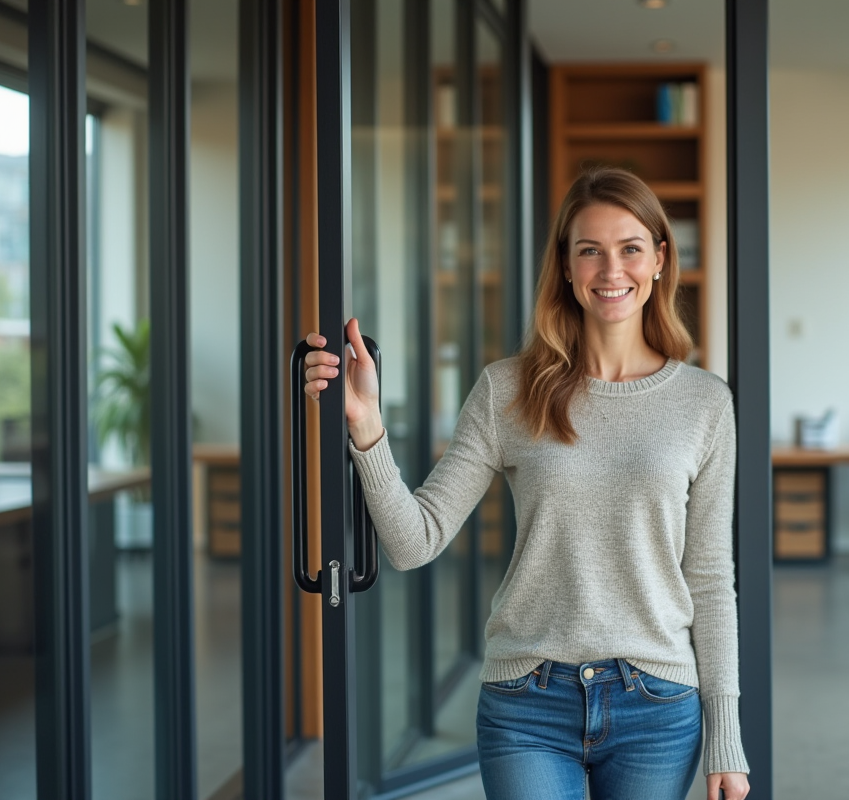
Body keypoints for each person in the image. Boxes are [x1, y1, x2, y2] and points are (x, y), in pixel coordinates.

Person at [303, 167, 750, 800]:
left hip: (657, 704)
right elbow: (414, 541)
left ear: (659, 260)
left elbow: (709, 576)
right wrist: (367, 427)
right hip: (527, 702)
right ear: (566, 268)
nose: (610, 268)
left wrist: (725, 736)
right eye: (589, 249)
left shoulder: (705, 404)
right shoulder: (507, 390)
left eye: (630, 248)